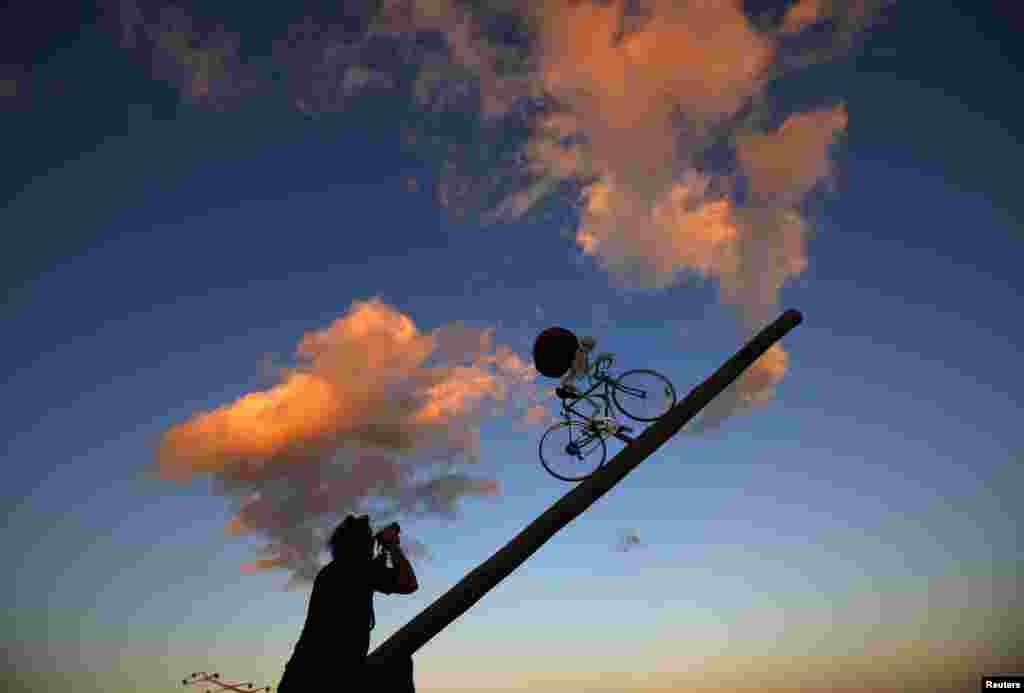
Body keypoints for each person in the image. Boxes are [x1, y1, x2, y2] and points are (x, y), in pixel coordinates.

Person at [277, 515, 419, 692]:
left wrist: (382, 554)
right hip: (331, 679)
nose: (371, 543)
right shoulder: (359, 568)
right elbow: (409, 583)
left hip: (299, 678)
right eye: (369, 538)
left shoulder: (332, 572)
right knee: (398, 663)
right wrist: (391, 545)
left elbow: (369, 575)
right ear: (361, 544)